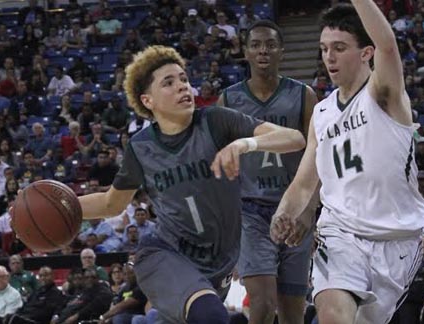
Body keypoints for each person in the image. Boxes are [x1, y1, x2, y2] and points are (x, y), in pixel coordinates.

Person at [76, 45, 305, 323]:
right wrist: (66, 208)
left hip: (216, 265)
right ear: (148, 101)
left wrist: (246, 143)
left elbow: (294, 138)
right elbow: (111, 203)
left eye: (184, 79)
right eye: (169, 83)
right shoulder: (141, 147)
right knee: (210, 315)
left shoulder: (216, 121)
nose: (183, 87)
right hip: (165, 254)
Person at [270, 2, 424, 324]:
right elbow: (304, 183)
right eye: (324, 48)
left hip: (396, 238)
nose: (329, 57)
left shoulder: (384, 94)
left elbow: (388, 44)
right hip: (339, 232)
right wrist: (283, 213)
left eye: (339, 48)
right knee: (332, 314)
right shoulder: (322, 113)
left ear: (366, 52)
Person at [219, 20, 317, 324]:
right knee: (261, 305)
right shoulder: (228, 100)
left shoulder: (304, 96)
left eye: (270, 45)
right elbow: (220, 165)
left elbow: (318, 158)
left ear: (282, 52)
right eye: (256, 45)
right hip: (250, 212)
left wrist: (309, 210)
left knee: (292, 313)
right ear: (246, 52)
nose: (263, 50)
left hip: (294, 209)